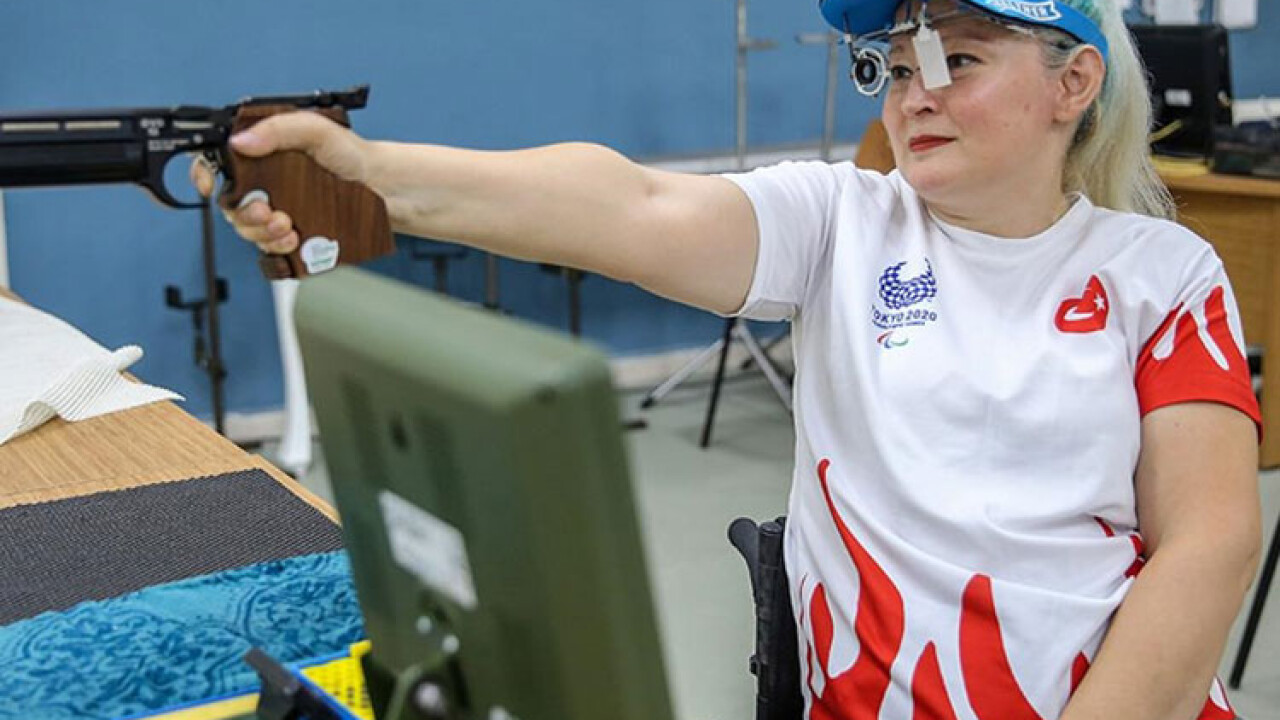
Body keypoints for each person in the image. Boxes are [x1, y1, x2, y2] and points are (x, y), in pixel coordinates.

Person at [193, 0, 1263, 717]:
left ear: (1073, 83)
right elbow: (629, 203)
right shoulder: (843, 223)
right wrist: (366, 173)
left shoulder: (1160, 272)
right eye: (893, 67)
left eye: (956, 60)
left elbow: (1209, 542)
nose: (913, 94)